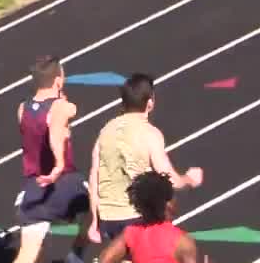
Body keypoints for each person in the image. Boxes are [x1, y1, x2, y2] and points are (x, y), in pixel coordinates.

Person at [0, 55, 92, 263]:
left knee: (26, 253)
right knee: (97, 209)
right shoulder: (62, 106)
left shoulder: (21, 109)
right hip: (63, 183)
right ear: (58, 80)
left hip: (33, 188)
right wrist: (60, 163)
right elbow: (56, 129)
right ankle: (76, 255)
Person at [87, 74, 203, 246]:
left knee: (127, 261)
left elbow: (94, 178)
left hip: (108, 218)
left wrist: (94, 222)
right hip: (136, 217)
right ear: (150, 103)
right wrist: (189, 179)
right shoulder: (150, 134)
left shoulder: (106, 131)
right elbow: (169, 178)